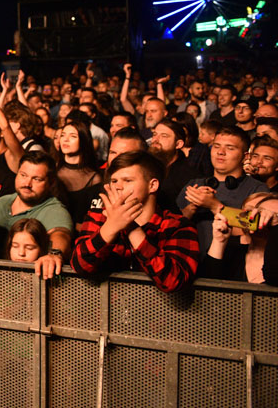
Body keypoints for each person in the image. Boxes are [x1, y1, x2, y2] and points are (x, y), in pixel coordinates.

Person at [71, 151, 199, 292]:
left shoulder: (177, 226)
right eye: (114, 181)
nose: (118, 186)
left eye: (128, 180)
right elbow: (80, 266)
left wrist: (130, 227)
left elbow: (173, 281)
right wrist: (110, 228)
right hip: (104, 310)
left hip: (155, 311)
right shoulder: (99, 216)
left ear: (153, 185)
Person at [177, 125, 269, 259]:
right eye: (216, 146)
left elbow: (256, 230)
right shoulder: (194, 185)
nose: (221, 152)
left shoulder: (258, 189)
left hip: (234, 268)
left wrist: (215, 206)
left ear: (245, 157)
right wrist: (191, 208)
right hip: (192, 265)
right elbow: (171, 226)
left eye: (230, 148)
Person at [0, 151, 73, 278]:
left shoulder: (55, 210)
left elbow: (61, 234)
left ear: (51, 182)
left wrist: (54, 254)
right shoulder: (2, 202)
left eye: (36, 179)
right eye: (23, 175)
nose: (27, 184)